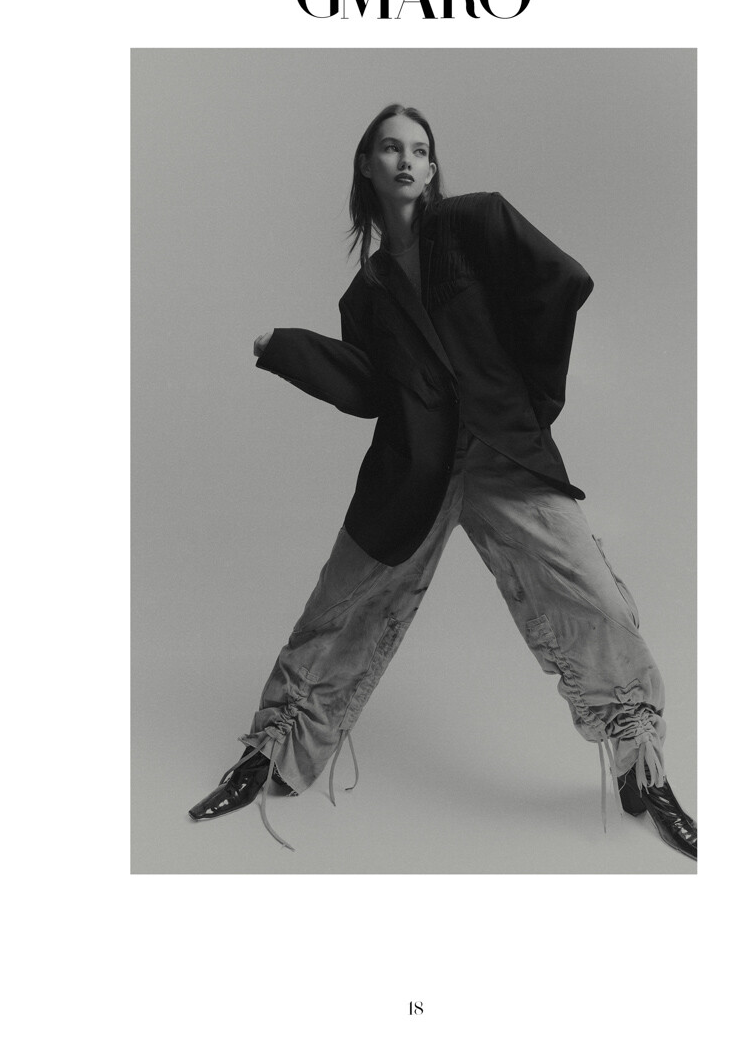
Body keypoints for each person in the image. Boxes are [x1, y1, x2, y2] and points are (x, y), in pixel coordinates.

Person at [188, 104, 696, 861]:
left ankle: (642, 770)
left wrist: (526, 402)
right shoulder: (364, 295)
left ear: (431, 169)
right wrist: (286, 348)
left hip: (503, 455)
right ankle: (267, 756)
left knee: (592, 596)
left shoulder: (476, 223)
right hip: (413, 470)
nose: (405, 160)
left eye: (419, 150)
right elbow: (369, 390)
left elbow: (562, 281)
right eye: (390, 148)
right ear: (366, 165)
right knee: (336, 609)